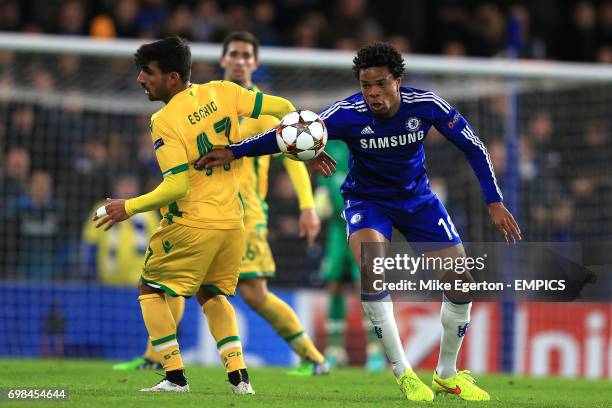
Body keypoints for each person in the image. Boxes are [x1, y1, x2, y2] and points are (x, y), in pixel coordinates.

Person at [196, 42, 521, 402]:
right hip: (367, 202)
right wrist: (234, 150)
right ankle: (404, 374)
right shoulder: (346, 113)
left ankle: (446, 373)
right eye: (367, 86)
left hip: (418, 201)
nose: (373, 94)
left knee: (461, 284)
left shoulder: (426, 105)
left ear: (398, 80)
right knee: (373, 269)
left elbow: (474, 147)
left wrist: (494, 201)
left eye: (381, 84)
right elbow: (288, 134)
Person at [112, 31, 329, 376]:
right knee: (182, 286)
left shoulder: (258, 107)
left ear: (255, 63)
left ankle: (312, 357)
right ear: (223, 59)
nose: (240, 60)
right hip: (203, 210)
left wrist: (306, 205)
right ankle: (158, 359)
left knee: (253, 294)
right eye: (235, 54)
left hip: (246, 212)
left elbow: (291, 154)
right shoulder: (214, 96)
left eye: (247, 55)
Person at [315, 139, 384, 371]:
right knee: (333, 284)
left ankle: (375, 351)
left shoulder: (366, 141)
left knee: (364, 285)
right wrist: (320, 199)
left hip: (362, 227)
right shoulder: (329, 143)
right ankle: (335, 350)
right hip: (336, 230)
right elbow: (323, 179)